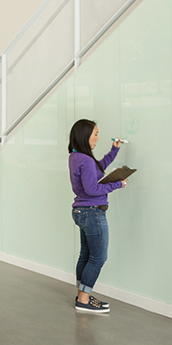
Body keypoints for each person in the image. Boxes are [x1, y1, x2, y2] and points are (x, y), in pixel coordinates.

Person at [69, 119, 127, 314]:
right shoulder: (85, 160)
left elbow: (97, 169)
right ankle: (84, 299)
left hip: (82, 212)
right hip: (92, 212)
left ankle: (81, 294)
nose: (97, 137)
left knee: (86, 255)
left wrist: (114, 151)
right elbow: (93, 188)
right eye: (95, 133)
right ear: (85, 136)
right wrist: (117, 184)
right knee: (98, 257)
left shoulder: (77, 156)